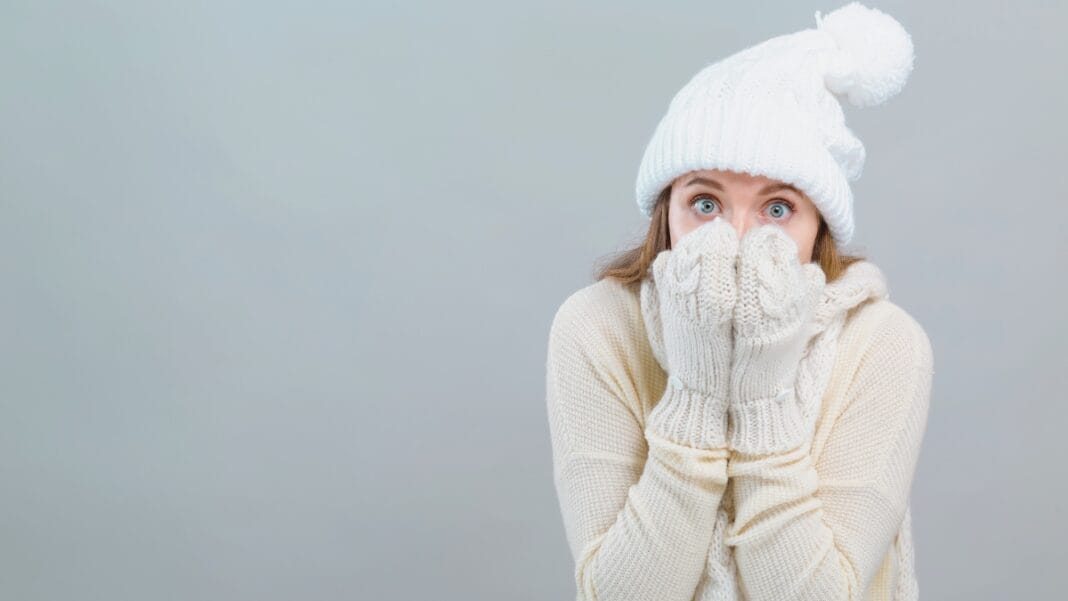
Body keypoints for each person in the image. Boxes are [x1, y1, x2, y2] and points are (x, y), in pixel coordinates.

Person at [544, 3, 934, 600]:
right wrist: (699, 394)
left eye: (778, 210)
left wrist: (760, 399)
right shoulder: (596, 328)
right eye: (706, 204)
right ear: (666, 214)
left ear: (819, 226)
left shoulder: (884, 344)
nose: (740, 239)